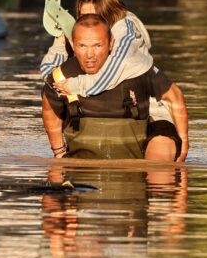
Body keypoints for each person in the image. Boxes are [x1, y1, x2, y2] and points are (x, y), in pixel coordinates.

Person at [41, 14, 189, 162]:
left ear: (111, 43)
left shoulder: (136, 68)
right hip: (80, 171)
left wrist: (184, 144)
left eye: (98, 46)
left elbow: (174, 97)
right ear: (73, 45)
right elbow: (48, 107)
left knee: (163, 145)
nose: (89, 55)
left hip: (134, 168)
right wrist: (58, 152)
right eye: (82, 46)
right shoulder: (61, 76)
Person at [39, 0, 154, 99]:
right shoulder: (81, 30)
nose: (89, 22)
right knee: (47, 93)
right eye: (83, 16)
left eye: (95, 17)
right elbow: (48, 74)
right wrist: (62, 38)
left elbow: (110, 73)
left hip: (132, 100)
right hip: (93, 95)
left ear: (110, 14)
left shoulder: (125, 32)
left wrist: (73, 85)